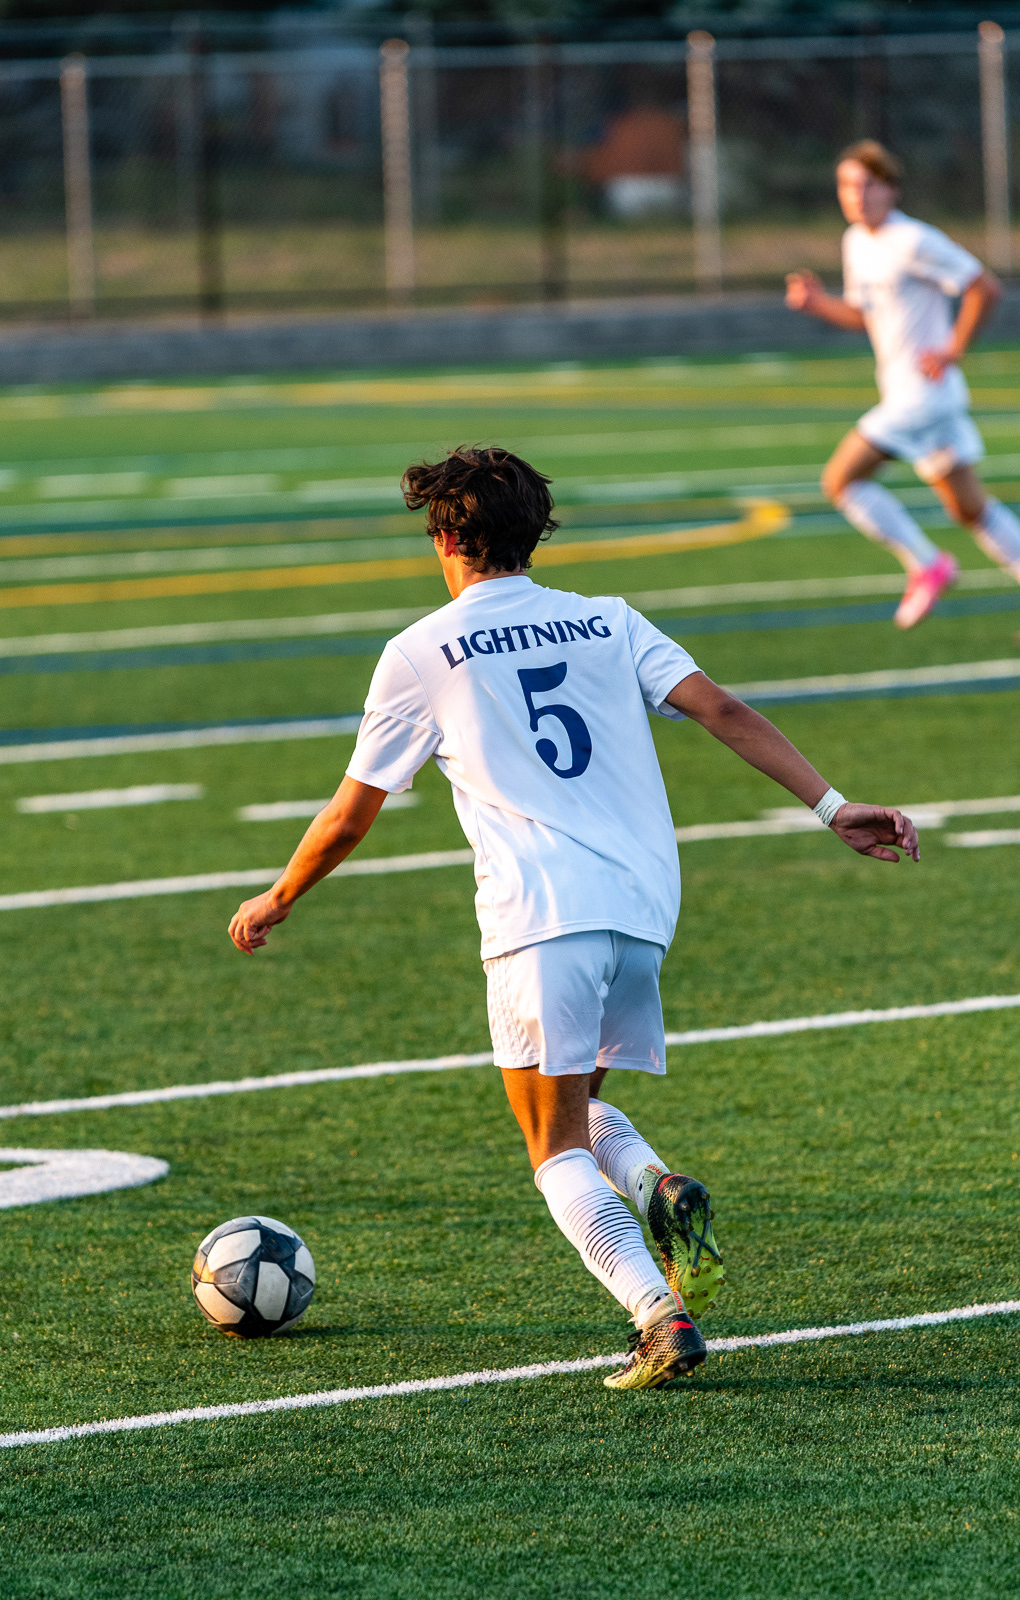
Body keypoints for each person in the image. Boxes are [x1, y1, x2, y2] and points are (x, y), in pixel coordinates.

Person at [228, 448, 919, 1391]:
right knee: (577, 1104)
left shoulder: (420, 651)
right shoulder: (609, 619)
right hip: (642, 911)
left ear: (444, 539)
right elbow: (718, 708)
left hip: (540, 916)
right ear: (534, 533)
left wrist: (278, 896)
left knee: (550, 1148)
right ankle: (655, 1185)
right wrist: (831, 805)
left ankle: (657, 1315)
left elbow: (352, 812)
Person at [786, 139, 1020, 628]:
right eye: (847, 186)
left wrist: (953, 349)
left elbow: (984, 287)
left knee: (841, 481)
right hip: (916, 396)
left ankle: (927, 564)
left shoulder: (914, 239)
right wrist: (818, 304)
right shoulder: (856, 242)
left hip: (923, 397)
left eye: (868, 185)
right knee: (970, 509)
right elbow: (864, 315)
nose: (857, 195)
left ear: (891, 189)